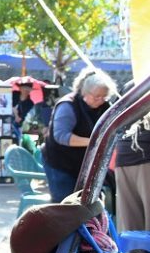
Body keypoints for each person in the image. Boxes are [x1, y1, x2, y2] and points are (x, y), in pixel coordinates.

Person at [41, 68, 117, 203]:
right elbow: (62, 136)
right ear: (84, 92)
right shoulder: (68, 106)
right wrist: (94, 142)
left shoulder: (105, 106)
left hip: (85, 164)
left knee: (88, 205)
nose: (100, 100)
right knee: (65, 204)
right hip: (60, 163)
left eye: (104, 96)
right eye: (96, 96)